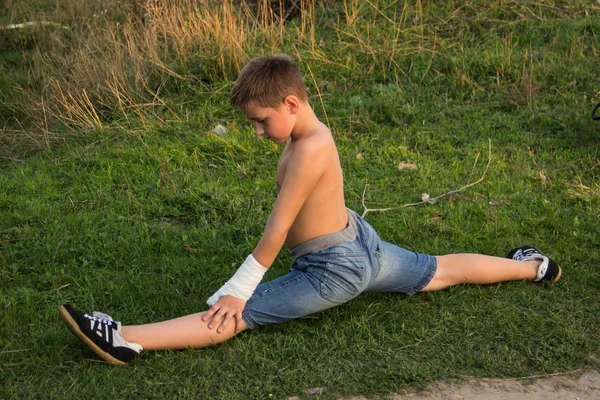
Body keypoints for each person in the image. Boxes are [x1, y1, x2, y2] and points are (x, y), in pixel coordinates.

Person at [59, 54, 562, 365]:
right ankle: (535, 267)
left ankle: (124, 339)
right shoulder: (311, 134)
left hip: (335, 269)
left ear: (292, 103)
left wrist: (237, 291)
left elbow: (276, 233)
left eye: (260, 121)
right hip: (356, 243)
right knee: (436, 271)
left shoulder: (307, 150)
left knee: (234, 318)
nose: (257, 131)